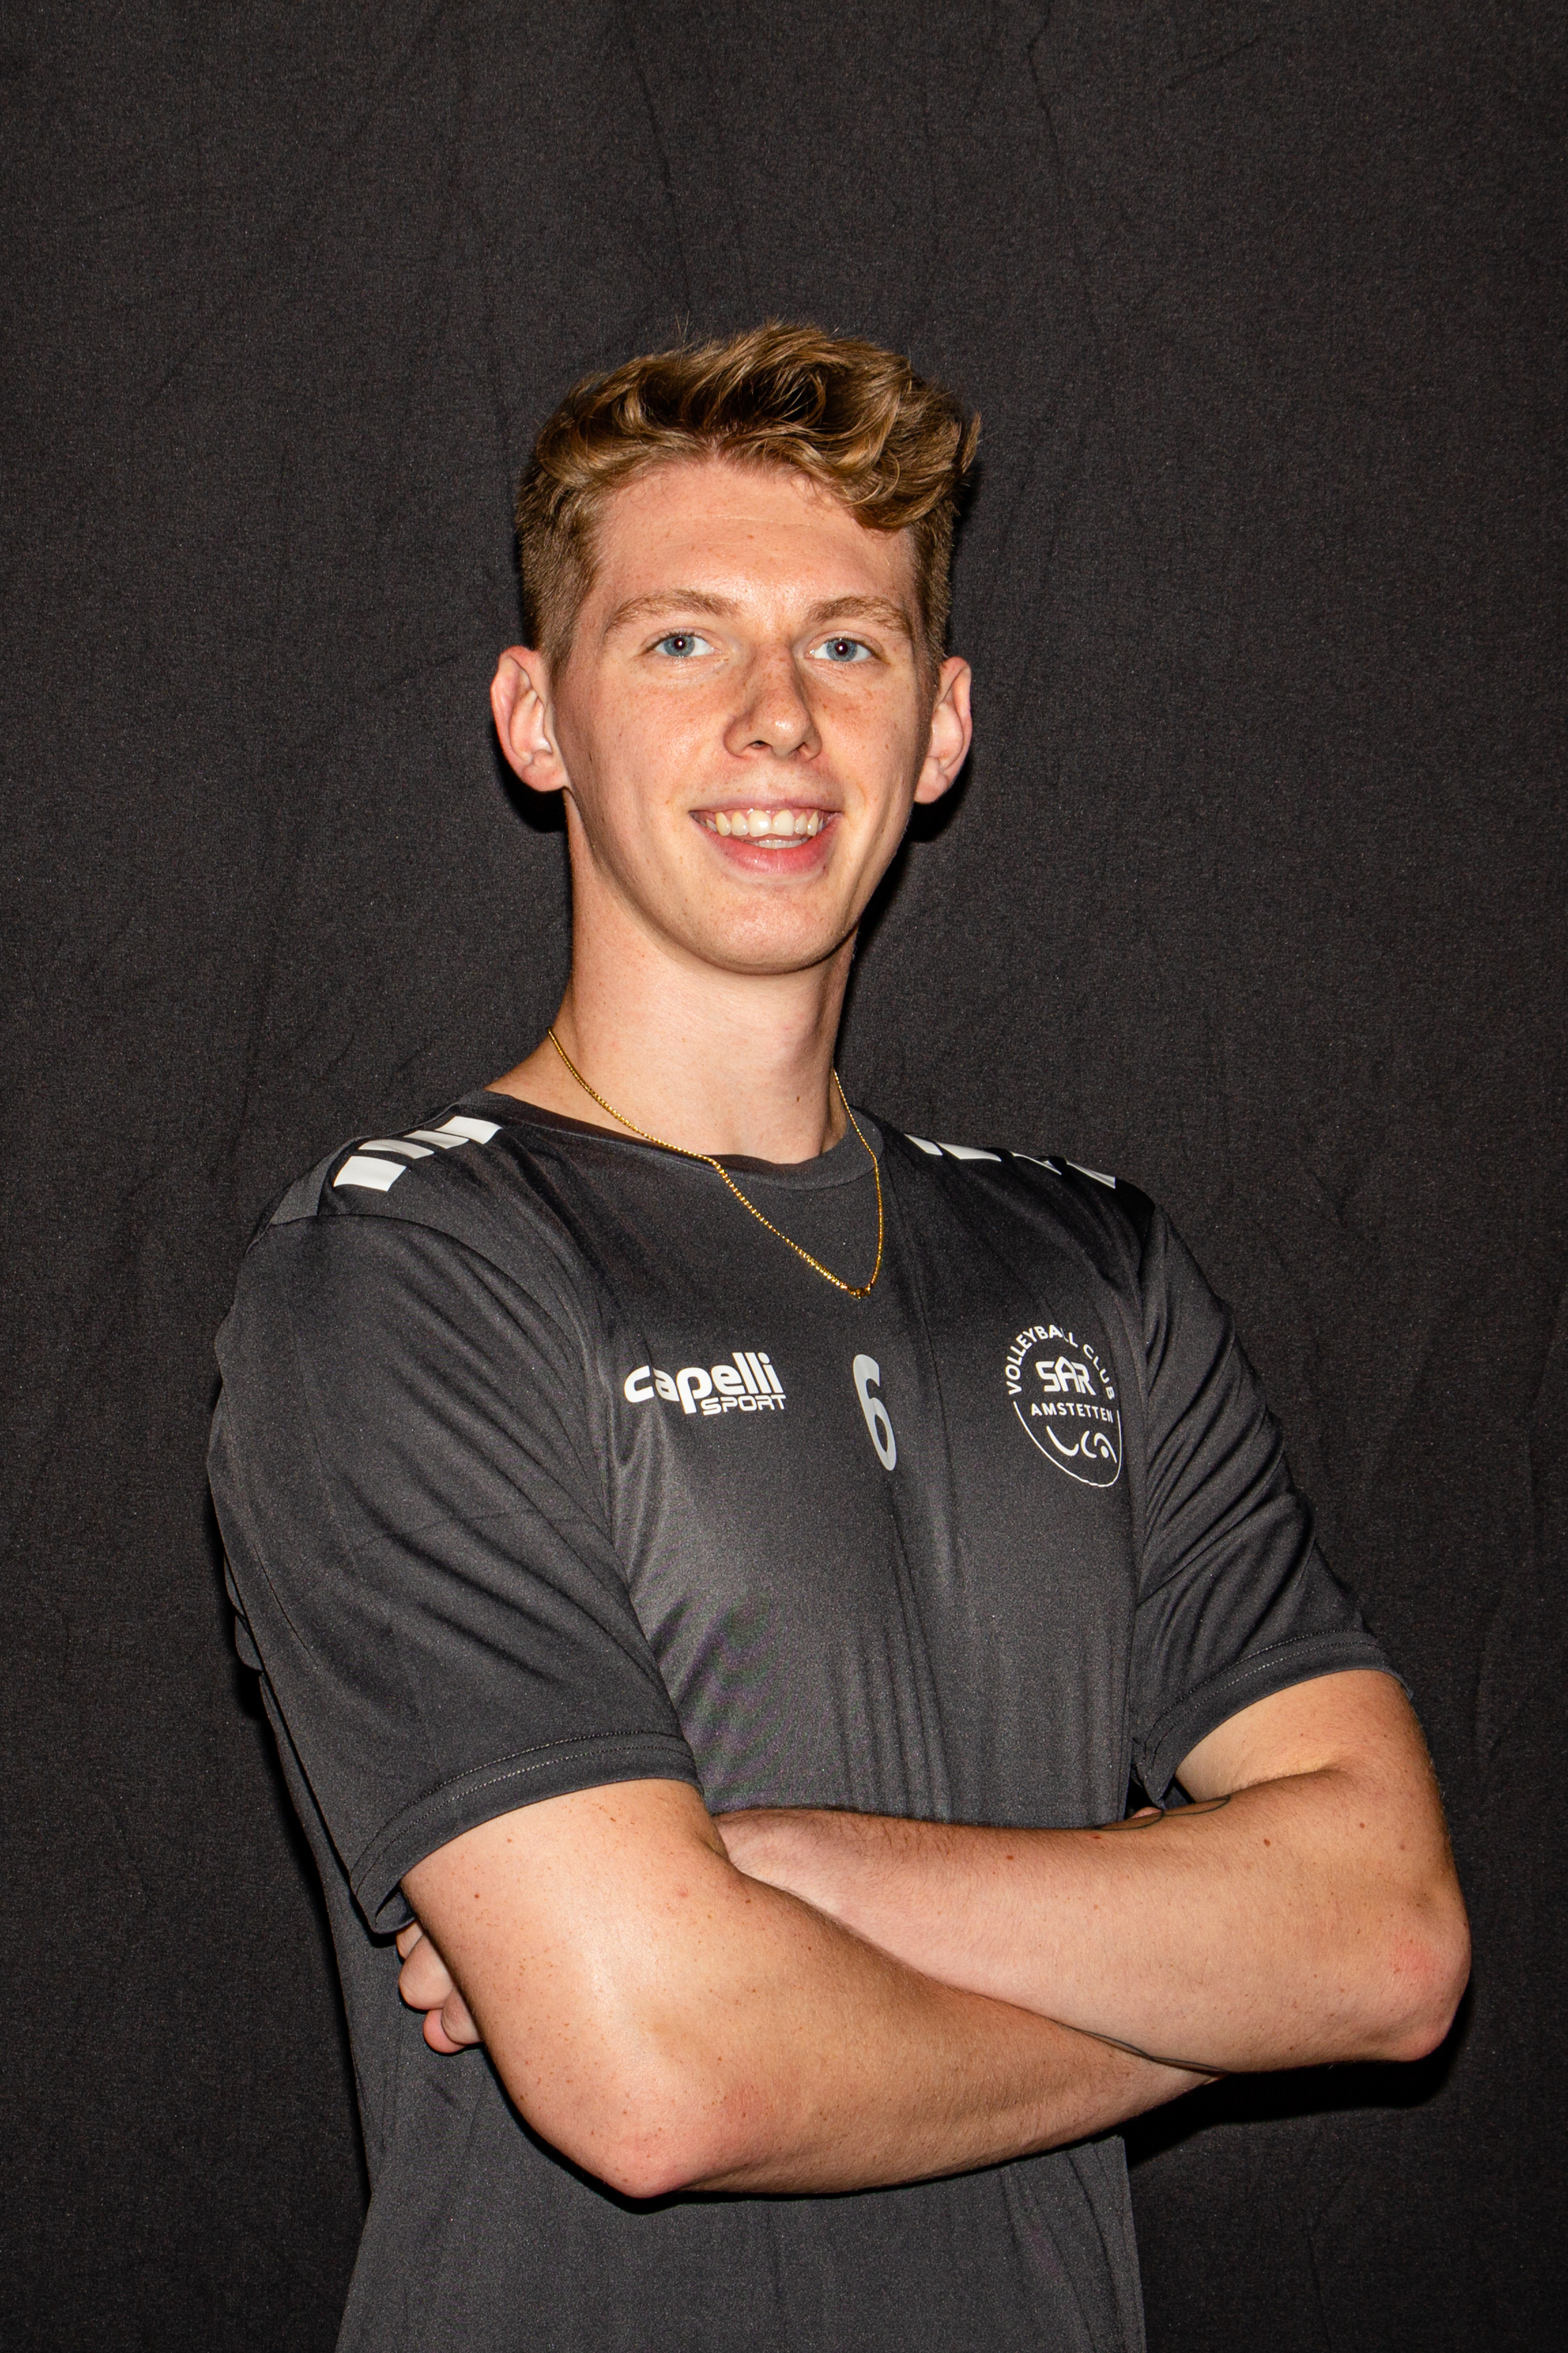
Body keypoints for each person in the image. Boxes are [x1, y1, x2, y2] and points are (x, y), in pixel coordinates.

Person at [208, 323, 1469, 2353]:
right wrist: (1220, 1987)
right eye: (681, 640)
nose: (778, 718)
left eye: (850, 644)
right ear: (536, 718)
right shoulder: (403, 1269)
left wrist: (786, 1868)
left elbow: (1391, 1937)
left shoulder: (1092, 1268)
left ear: (941, 724)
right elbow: (662, 2076)